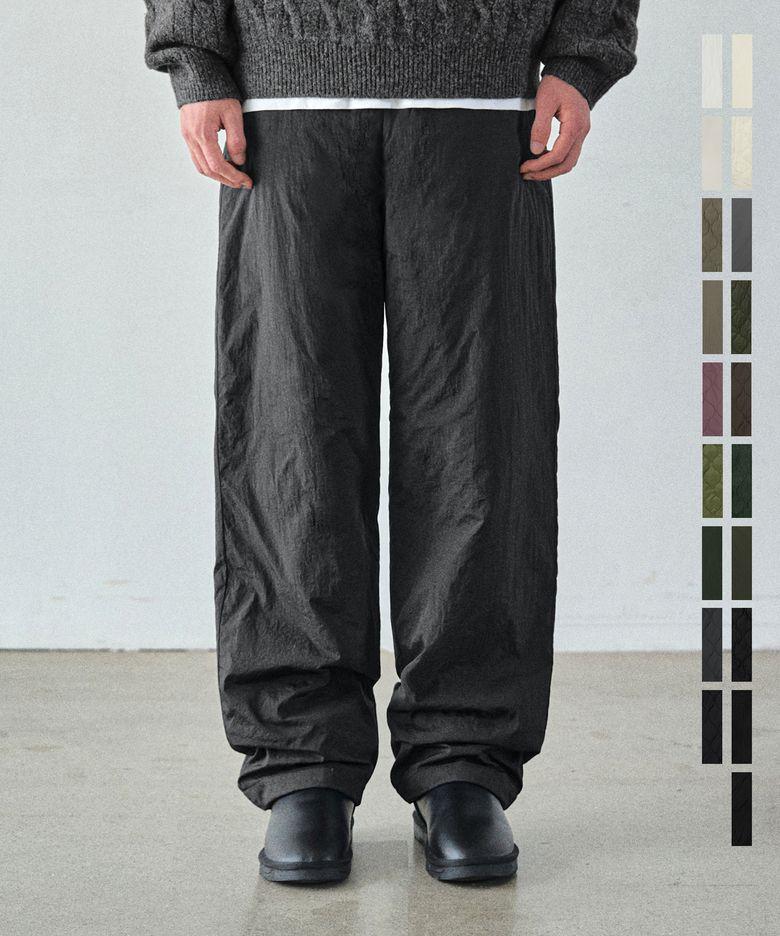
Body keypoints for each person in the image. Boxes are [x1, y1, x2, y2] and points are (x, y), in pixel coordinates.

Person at [144, 0, 639, 884]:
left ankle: (462, 761)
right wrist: (196, 57)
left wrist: (581, 52)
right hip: (284, 99)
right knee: (290, 438)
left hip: (484, 100)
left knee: (478, 440)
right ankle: (304, 764)